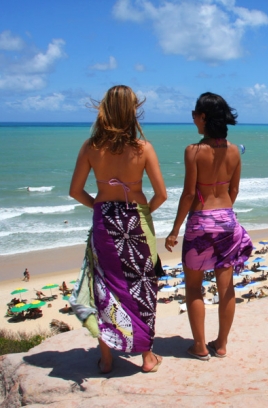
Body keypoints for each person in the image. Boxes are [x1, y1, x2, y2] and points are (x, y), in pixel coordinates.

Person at [69, 85, 167, 374]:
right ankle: (147, 357)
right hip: (135, 222)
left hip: (104, 223)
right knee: (142, 287)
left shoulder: (90, 147)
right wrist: (140, 212)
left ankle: (107, 358)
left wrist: (100, 208)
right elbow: (161, 194)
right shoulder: (143, 148)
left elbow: (75, 191)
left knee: (104, 287)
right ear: (131, 113)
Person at [165, 92, 253, 361]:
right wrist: (223, 212)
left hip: (200, 222)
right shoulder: (235, 150)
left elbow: (189, 194)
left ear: (203, 118)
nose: (192, 118)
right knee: (226, 287)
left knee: (194, 287)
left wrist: (175, 229)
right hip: (227, 221)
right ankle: (222, 344)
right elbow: (234, 188)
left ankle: (200, 346)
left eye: (194, 114)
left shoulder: (193, 151)